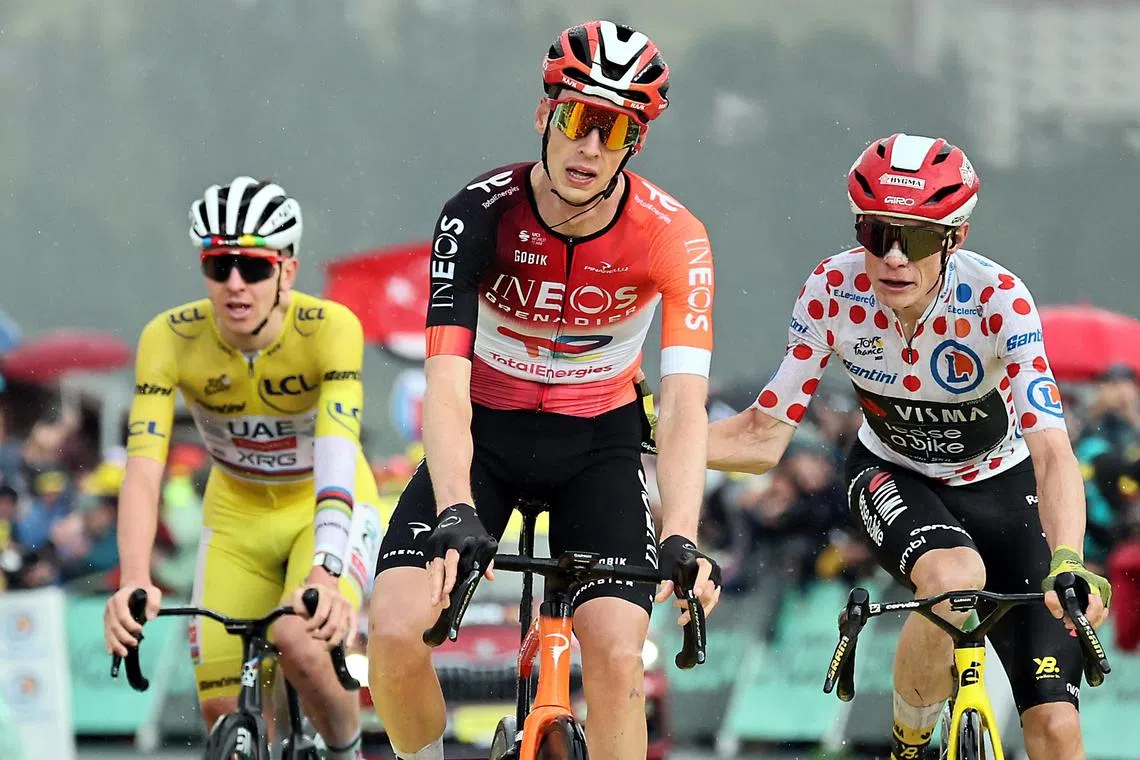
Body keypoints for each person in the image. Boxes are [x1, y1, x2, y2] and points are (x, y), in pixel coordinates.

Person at [366, 20, 722, 760]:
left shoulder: (674, 236)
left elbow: (685, 401)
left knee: (619, 657)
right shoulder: (477, 213)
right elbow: (445, 379)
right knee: (394, 635)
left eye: (614, 130)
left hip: (597, 446)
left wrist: (684, 533)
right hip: (486, 438)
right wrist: (456, 507)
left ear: (635, 143)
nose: (589, 147)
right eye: (576, 119)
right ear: (543, 115)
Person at [707, 133, 1112, 760]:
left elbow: (1053, 453)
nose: (893, 258)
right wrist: (647, 433)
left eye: (917, 239)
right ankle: (909, 745)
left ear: (956, 238)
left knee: (1056, 729)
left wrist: (1068, 557)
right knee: (952, 578)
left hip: (1004, 488)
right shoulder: (833, 289)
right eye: (877, 235)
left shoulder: (997, 299)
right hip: (894, 474)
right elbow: (762, 437)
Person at [102, 177, 383, 760]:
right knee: (220, 709)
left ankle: (348, 752)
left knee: (298, 640)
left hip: (322, 509)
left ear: (288, 271)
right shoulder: (169, 338)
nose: (234, 283)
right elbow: (144, 468)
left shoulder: (330, 328)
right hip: (236, 519)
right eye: (218, 265)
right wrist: (134, 577)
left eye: (253, 268)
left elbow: (336, 450)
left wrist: (326, 572)